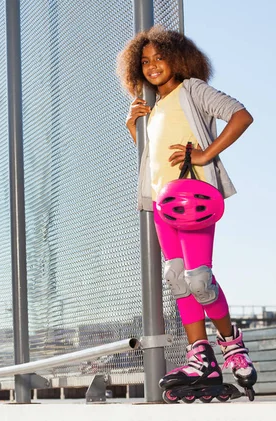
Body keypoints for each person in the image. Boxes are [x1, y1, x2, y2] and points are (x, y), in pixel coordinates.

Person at [116, 25, 256, 399]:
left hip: (193, 196)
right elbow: (154, 159)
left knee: (198, 278)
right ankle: (200, 358)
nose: (152, 66)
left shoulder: (192, 90)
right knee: (177, 277)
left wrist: (206, 154)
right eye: (145, 61)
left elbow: (241, 116)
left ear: (177, 57)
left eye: (160, 57)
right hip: (162, 202)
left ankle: (232, 344)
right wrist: (134, 127)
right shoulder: (154, 107)